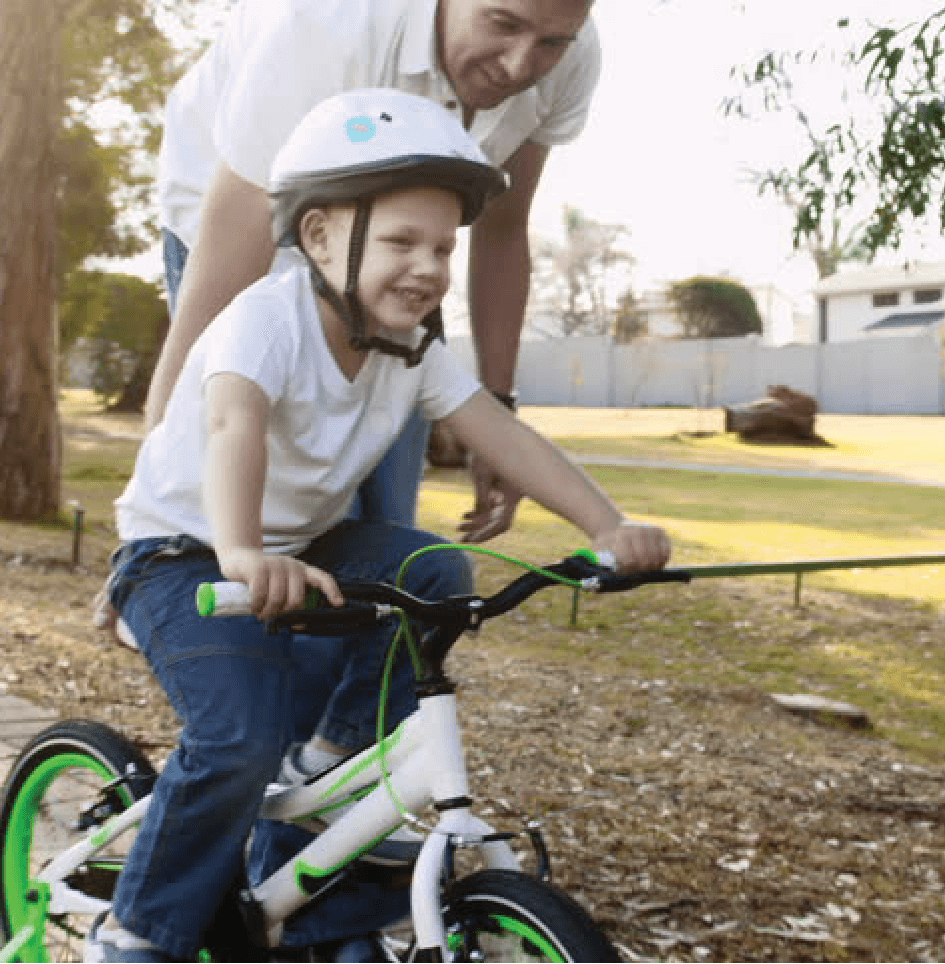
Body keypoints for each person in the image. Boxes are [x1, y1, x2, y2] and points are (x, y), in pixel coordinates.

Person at [93, 89, 669, 963]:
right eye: (402, 242)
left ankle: (328, 767)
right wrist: (245, 552)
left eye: (443, 247)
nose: (429, 267)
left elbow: (502, 434)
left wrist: (609, 525)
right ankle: (137, 932)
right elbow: (230, 426)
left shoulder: (410, 351)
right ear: (321, 238)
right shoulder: (265, 316)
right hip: (182, 556)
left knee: (436, 569)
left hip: (293, 549)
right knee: (239, 736)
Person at [150, 0, 601, 541]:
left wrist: (498, 407)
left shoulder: (571, 53)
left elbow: (502, 227)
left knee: (382, 521)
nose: (519, 66)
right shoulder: (323, 26)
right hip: (243, 213)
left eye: (550, 43)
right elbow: (220, 287)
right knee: (235, 471)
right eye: (502, 24)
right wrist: (150, 519)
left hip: (384, 250)